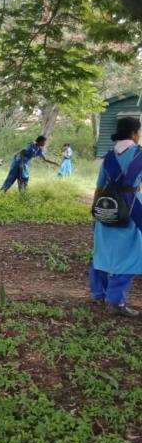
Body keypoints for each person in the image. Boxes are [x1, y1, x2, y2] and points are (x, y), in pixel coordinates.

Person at [89, 116, 142, 317]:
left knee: (102, 252)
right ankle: (115, 301)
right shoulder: (139, 155)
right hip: (131, 209)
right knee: (132, 254)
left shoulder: (109, 157)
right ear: (134, 134)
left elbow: (99, 187)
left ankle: (98, 293)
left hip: (107, 206)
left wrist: (96, 211)